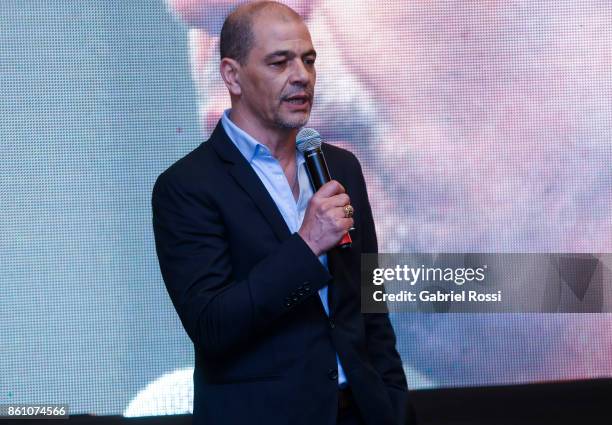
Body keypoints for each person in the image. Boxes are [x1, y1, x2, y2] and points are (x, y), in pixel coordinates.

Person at [152, 2, 410, 424]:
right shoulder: (187, 187)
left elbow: (370, 313)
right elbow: (213, 327)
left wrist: (395, 408)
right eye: (280, 62)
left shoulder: (340, 167)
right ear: (232, 76)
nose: (301, 76)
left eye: (308, 61)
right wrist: (307, 245)